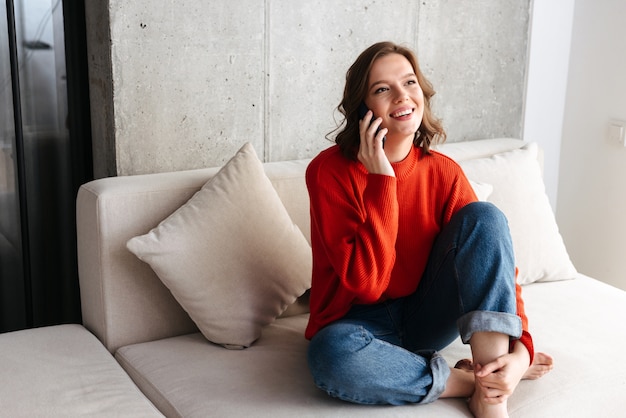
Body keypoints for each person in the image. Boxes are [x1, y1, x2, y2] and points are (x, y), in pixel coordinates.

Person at [304, 41, 553, 418]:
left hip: (425, 316)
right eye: (382, 89)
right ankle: (475, 384)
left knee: (485, 217)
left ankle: (493, 398)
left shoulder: (442, 171)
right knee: (330, 357)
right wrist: (381, 181)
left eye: (410, 83)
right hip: (356, 324)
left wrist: (521, 354)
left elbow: (493, 259)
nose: (402, 96)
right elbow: (367, 284)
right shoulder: (328, 173)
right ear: (363, 108)